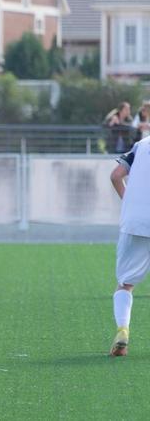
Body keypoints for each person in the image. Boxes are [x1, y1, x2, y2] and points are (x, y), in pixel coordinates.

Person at [109, 133, 150, 356]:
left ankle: (123, 330)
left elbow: (116, 175)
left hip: (136, 221)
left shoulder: (142, 145)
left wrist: (131, 205)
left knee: (125, 284)